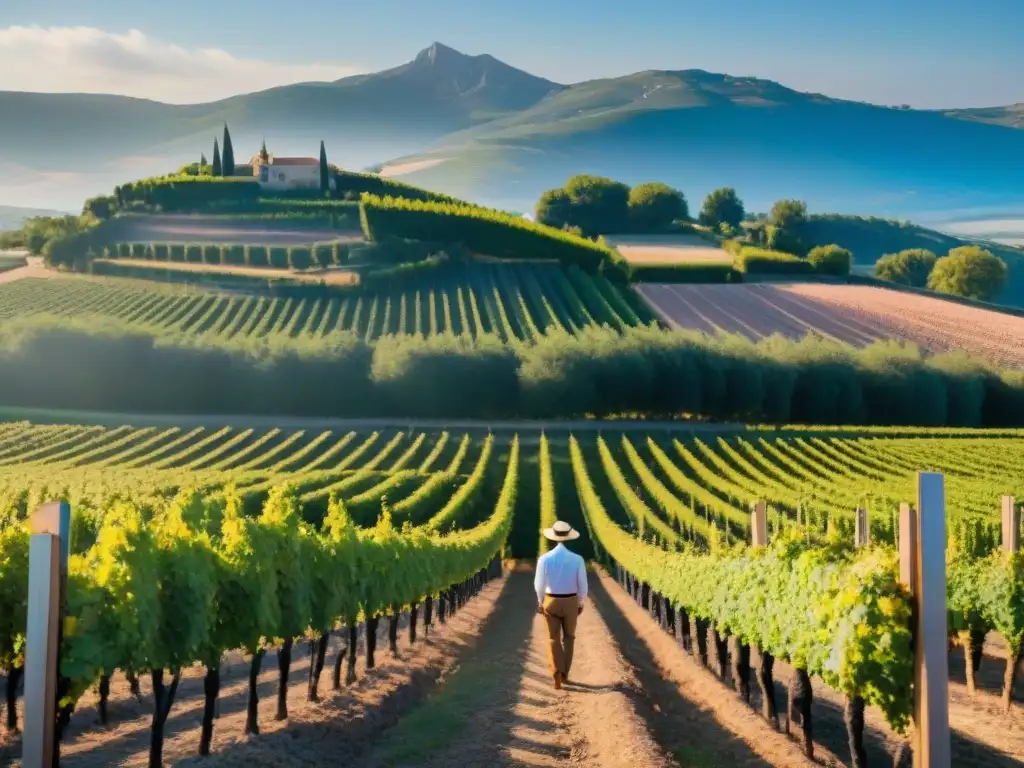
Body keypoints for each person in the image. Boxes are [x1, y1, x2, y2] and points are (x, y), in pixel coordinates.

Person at [534, 520, 588, 689]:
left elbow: (539, 584)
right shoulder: (577, 559)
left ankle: (556, 670)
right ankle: (565, 673)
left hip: (551, 600)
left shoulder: (544, 559)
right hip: (571, 600)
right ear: (568, 538)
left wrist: (540, 600)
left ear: (553, 537)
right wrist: (581, 601)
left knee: (553, 638)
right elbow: (583, 584)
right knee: (569, 638)